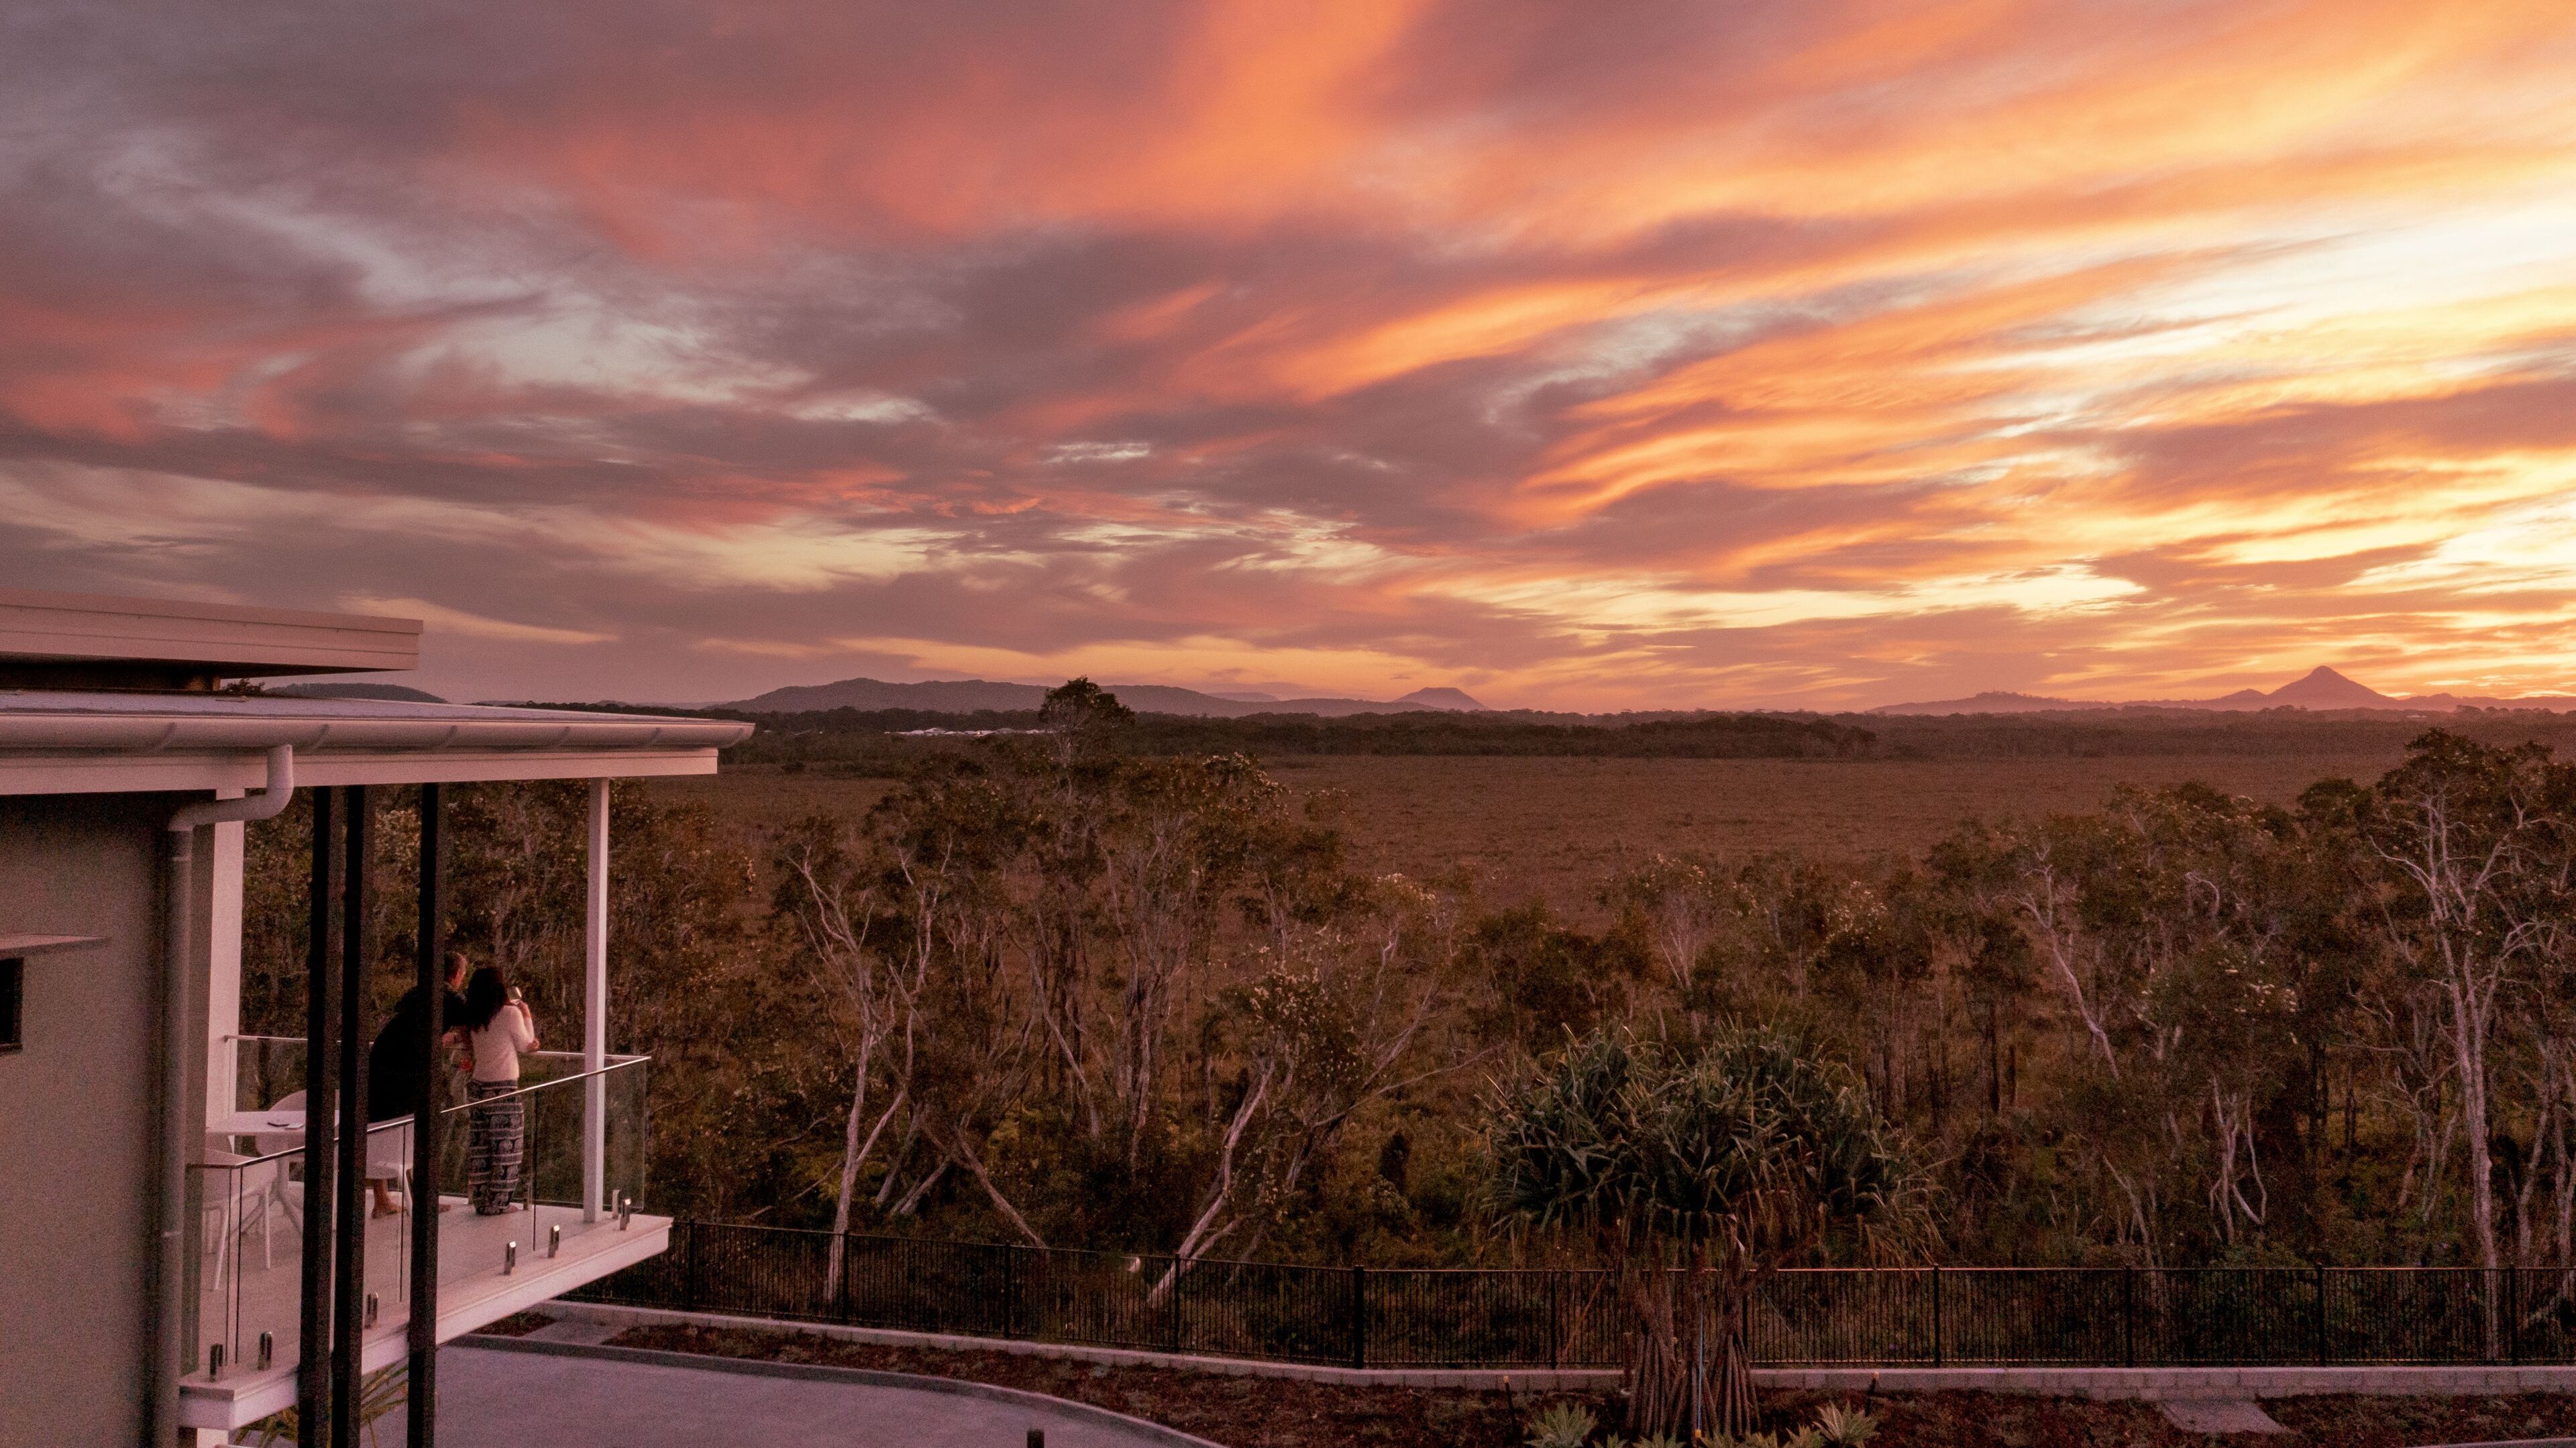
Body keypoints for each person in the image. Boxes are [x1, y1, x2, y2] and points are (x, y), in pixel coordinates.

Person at [363, 951, 471, 1217]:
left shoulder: (420, 992)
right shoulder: (449, 997)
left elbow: (419, 1035)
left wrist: (449, 1040)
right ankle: (422, 1199)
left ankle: (382, 1198)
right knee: (418, 1131)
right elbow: (476, 1019)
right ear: (457, 974)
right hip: (406, 1067)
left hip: (384, 1055)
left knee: (379, 1124)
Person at [460, 965, 539, 1215]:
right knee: (507, 1149)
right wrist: (526, 1015)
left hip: (478, 1087)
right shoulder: (509, 1014)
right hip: (504, 1089)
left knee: (481, 1147)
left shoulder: (473, 1015)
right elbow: (527, 1045)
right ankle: (498, 1204)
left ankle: (481, 1200)